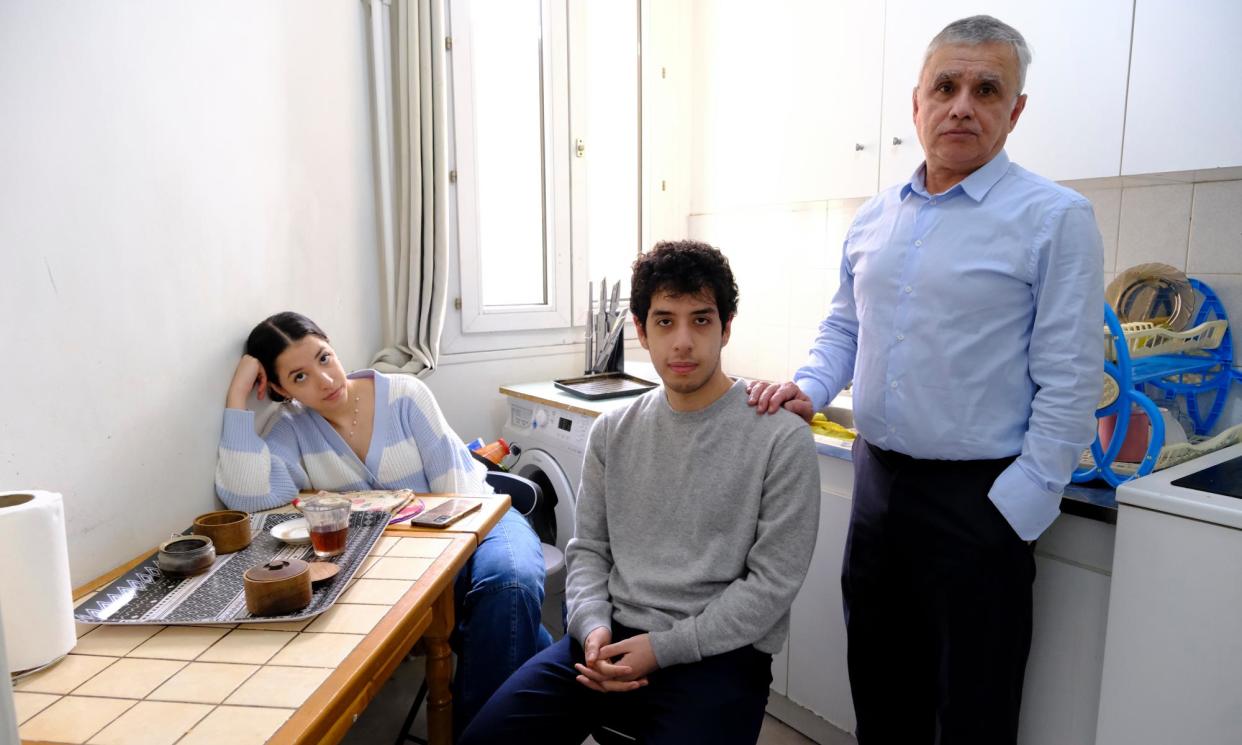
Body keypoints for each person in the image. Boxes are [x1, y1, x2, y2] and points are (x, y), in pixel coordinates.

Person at [748, 15, 1104, 745]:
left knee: (973, 711)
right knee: (881, 698)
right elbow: (844, 325)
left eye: (986, 89)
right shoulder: (875, 217)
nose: (962, 105)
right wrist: (810, 387)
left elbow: (1071, 379)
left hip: (982, 502)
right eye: (945, 86)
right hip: (877, 489)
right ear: (917, 103)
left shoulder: (1055, 219)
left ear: (1016, 110)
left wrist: (1018, 507)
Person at [458, 241, 821, 745]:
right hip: (606, 638)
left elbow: (771, 586)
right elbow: (588, 550)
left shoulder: (780, 437)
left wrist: (662, 648)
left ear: (726, 327)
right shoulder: (613, 431)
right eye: (665, 321)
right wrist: (592, 629)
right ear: (642, 330)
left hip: (718, 653)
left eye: (701, 320)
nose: (683, 342)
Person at [215, 311, 552, 732]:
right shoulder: (293, 429)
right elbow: (250, 497)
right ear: (280, 389)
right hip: (399, 557)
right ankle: (538, 691)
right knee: (503, 622)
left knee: (509, 582)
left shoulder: (404, 395)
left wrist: (431, 580)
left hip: (483, 520)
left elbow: (456, 493)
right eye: (299, 377)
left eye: (324, 358)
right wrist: (237, 397)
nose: (324, 380)